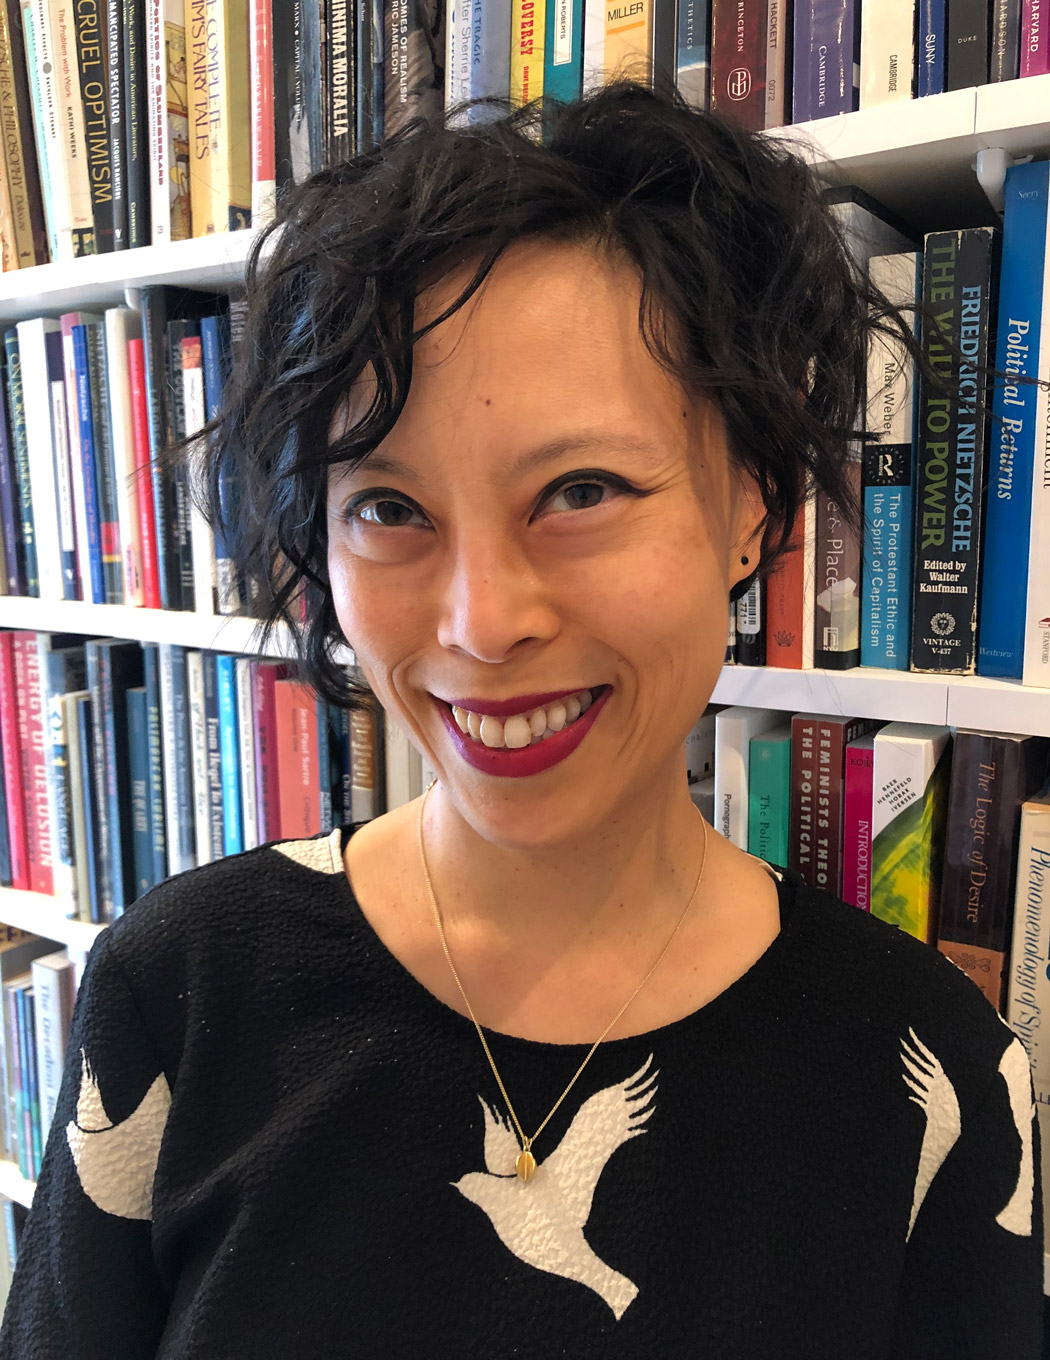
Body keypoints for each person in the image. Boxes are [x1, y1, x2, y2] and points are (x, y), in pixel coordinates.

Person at [0, 81, 1042, 1359]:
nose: (483, 624)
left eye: (582, 489)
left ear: (754, 506)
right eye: (389, 508)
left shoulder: (926, 1075)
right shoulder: (180, 989)